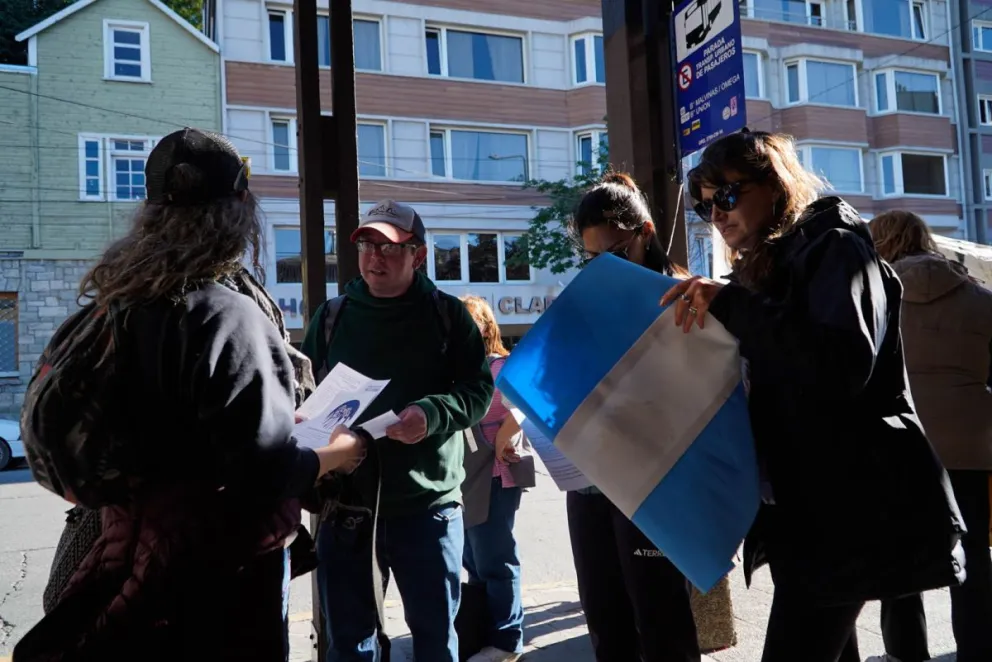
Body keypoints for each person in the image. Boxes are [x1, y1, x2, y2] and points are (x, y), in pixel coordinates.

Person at [14, 128, 367, 662]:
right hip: (216, 581)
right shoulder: (228, 317)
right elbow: (263, 474)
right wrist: (345, 451)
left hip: (123, 556)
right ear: (240, 209)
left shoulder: (119, 304)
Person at [661, 129, 965, 662]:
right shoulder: (774, 264)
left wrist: (733, 307)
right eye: (706, 206)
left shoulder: (836, 246)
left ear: (775, 185)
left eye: (728, 195)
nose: (718, 214)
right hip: (810, 510)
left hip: (846, 507)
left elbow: (839, 365)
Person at [302, 200, 494, 662]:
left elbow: (477, 391)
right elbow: (303, 398)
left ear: (419, 255)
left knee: (434, 641)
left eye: (389, 247)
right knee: (349, 644)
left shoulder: (448, 316)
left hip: (427, 509)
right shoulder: (331, 317)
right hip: (346, 508)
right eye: (367, 245)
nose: (374, 257)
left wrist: (432, 414)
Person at [567, 172, 702, 662]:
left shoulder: (686, 299)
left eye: (618, 254)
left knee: (662, 621)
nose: (606, 269)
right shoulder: (586, 300)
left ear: (646, 233)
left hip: (654, 484)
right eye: (592, 258)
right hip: (588, 482)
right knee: (606, 622)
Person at [860, 210, 992, 662]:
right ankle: (978, 648)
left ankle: (906, 651)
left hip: (899, 442)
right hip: (973, 443)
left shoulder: (872, 296)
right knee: (973, 552)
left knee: (899, 554)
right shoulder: (980, 297)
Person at [459, 295, 534, 662]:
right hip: (465, 477)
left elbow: (528, 401)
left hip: (495, 474)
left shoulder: (500, 367)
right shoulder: (458, 371)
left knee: (494, 559)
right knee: (473, 560)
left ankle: (506, 643)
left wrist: (508, 427)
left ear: (487, 328)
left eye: (470, 323)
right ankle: (483, 633)